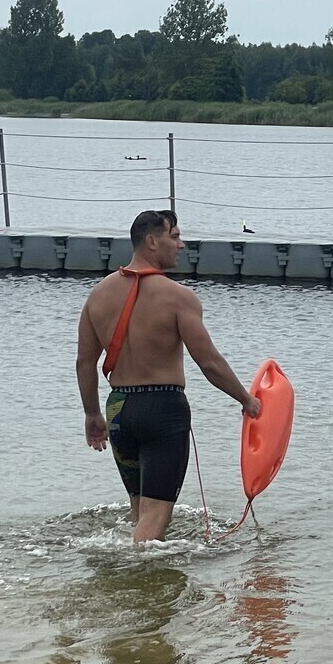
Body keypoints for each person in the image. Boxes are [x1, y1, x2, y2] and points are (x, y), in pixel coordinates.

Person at [76, 209, 260, 543]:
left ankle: (128, 577)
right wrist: (246, 399)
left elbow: (85, 363)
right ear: (151, 241)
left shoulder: (97, 295)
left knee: (139, 510)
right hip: (162, 408)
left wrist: (92, 413)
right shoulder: (178, 297)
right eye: (174, 237)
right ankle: (136, 583)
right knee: (157, 513)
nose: (182, 245)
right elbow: (209, 363)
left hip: (118, 409)